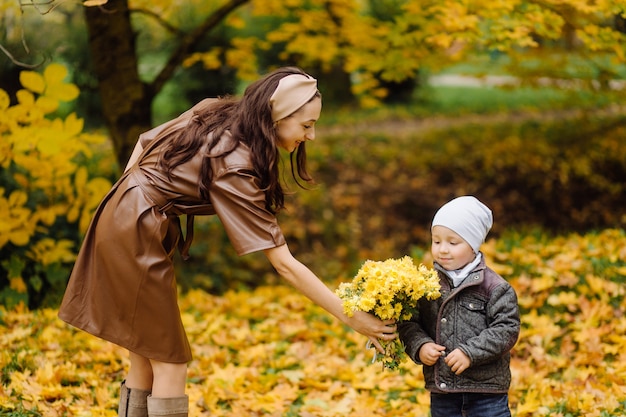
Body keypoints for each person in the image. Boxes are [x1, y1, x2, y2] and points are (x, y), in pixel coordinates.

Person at [58, 67, 397, 417]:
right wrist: (351, 317)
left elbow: (144, 142)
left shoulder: (219, 113)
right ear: (275, 118)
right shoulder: (235, 163)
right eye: (306, 126)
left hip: (127, 217)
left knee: (145, 356)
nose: (311, 136)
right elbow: (284, 263)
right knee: (171, 360)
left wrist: (126, 200)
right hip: (134, 230)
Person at [398, 196, 520, 417]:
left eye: (453, 243)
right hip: (443, 391)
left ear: (473, 245)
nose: (443, 249)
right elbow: (410, 323)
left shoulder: (494, 287)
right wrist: (420, 346)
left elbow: (506, 329)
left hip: (486, 392)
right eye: (436, 241)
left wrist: (469, 352)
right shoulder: (425, 285)